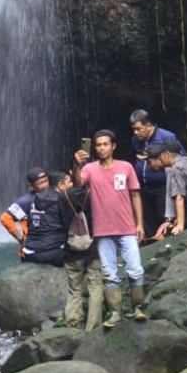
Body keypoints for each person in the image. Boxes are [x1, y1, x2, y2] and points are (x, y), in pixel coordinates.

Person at [73, 129, 147, 328]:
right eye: (98, 145)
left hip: (127, 227)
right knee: (109, 273)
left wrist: (139, 223)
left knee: (135, 269)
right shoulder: (90, 168)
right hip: (103, 230)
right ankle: (115, 313)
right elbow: (78, 183)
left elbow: (135, 195)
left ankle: (138, 307)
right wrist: (77, 164)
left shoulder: (126, 167)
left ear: (113, 146)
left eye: (105, 144)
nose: (101, 148)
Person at [50, 170, 103, 331]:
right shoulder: (94, 195)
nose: (71, 183)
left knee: (75, 290)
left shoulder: (62, 197)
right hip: (93, 248)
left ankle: (73, 325)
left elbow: (59, 222)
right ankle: (93, 327)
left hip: (72, 249)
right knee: (95, 286)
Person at [21, 172, 72, 267]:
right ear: (60, 185)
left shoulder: (34, 198)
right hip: (52, 254)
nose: (71, 185)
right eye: (69, 182)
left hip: (29, 252)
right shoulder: (62, 200)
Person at [0, 168, 50, 258]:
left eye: (46, 181)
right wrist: (21, 239)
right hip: (32, 249)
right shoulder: (26, 201)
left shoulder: (52, 195)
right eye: (40, 183)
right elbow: (5, 218)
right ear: (31, 186)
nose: (45, 185)